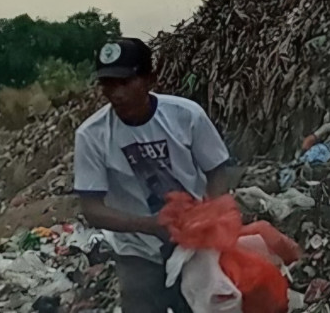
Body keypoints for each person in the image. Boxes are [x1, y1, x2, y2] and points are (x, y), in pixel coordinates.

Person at [73, 37, 233, 313]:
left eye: (125, 82)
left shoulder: (186, 116)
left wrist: (208, 214)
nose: (116, 93)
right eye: (108, 84)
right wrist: (149, 225)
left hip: (194, 243)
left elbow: (218, 170)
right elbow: (92, 209)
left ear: (150, 79)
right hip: (136, 250)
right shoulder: (92, 135)